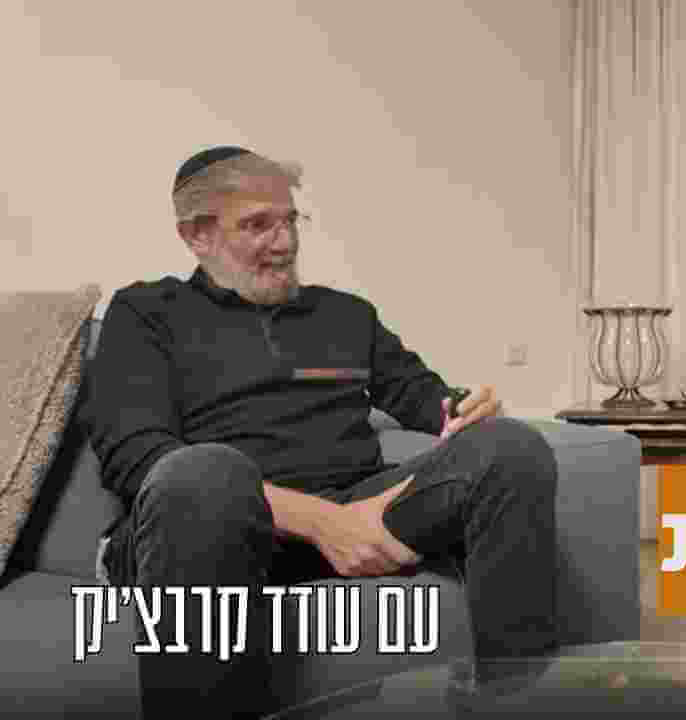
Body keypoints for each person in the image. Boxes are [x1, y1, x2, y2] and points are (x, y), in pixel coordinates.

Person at [84, 146, 560, 718]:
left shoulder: (345, 315)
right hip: (210, 527)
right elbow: (136, 457)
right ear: (197, 236)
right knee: (203, 474)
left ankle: (512, 702)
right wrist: (321, 523)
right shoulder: (145, 312)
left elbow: (421, 396)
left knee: (510, 447)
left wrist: (461, 408)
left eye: (290, 221)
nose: (284, 242)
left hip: (358, 514)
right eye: (258, 225)